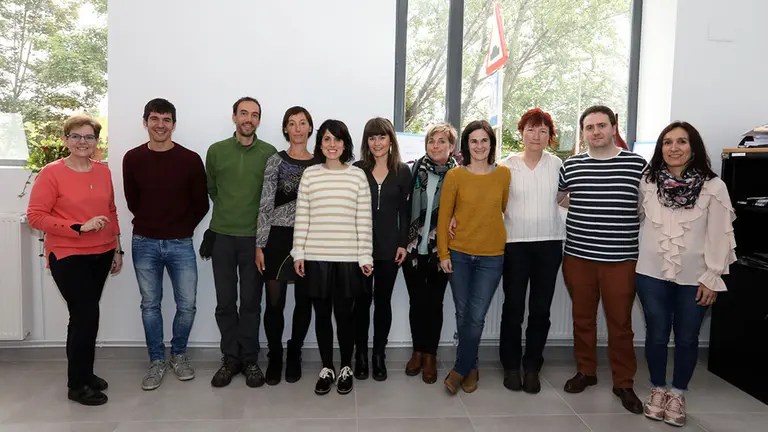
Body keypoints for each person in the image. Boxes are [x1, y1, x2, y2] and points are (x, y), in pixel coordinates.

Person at [636, 122, 735, 427]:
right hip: (651, 272)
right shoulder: (648, 182)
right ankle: (657, 389)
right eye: (667, 142)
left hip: (697, 277)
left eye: (681, 142)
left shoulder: (713, 187)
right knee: (655, 334)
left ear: (693, 148)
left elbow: (721, 235)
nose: (674, 148)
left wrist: (713, 276)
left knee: (687, 338)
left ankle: (677, 393)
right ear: (660, 148)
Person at [27, 114, 123, 406]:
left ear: (97, 142)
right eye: (76, 136)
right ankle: (76, 385)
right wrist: (77, 227)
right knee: (85, 316)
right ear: (65, 139)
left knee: (86, 317)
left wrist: (117, 248)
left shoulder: (103, 171)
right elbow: (35, 216)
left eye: (89, 137)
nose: (83, 142)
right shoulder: (51, 173)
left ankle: (85, 373)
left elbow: (112, 210)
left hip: (102, 252)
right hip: (68, 254)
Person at [557, 105, 647, 414]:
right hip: (578, 257)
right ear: (582, 133)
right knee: (583, 319)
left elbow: (646, 208)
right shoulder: (571, 166)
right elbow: (558, 200)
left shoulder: (637, 165)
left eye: (601, 125)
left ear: (613, 127)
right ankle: (587, 371)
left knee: (620, 324)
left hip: (621, 260)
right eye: (589, 127)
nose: (596, 132)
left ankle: (624, 382)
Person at [123, 98, 209, 390]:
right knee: (150, 304)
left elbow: (201, 204)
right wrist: (153, 224)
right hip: (144, 242)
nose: (161, 125)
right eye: (155, 118)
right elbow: (132, 201)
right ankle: (157, 360)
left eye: (166, 119)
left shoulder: (190, 159)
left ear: (174, 124)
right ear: (145, 121)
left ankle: (179, 355)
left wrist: (181, 229)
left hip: (180, 243)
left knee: (187, 304)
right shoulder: (132, 158)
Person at [292, 119, 373, 396]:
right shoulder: (311, 175)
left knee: (345, 315)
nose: (332, 144)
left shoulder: (357, 176)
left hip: (349, 258)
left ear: (345, 143)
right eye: (326, 139)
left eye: (337, 139)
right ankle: (327, 367)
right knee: (322, 315)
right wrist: (298, 252)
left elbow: (364, 218)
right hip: (316, 256)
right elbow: (302, 216)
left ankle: (346, 367)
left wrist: (365, 256)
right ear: (320, 144)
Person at [205, 96, 277, 388]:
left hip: (254, 241)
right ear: (234, 117)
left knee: (250, 302)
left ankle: (249, 360)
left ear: (259, 120)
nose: (249, 119)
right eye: (244, 113)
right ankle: (229, 359)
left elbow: (271, 198)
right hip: (222, 236)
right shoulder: (216, 151)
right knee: (225, 302)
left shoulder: (270, 153)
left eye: (255, 115)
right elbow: (212, 189)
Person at [437, 120, 510, 395]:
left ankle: (459, 369)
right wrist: (443, 253)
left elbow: (502, 208)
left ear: (491, 144)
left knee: (476, 315)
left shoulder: (503, 175)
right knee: (463, 311)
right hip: (459, 254)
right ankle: (472, 367)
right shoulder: (456, 176)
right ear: (466, 145)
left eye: (484, 140)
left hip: (492, 255)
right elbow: (445, 216)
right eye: (474, 141)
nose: (479, 146)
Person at [496, 108, 566, 393]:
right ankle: (511, 366)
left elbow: (565, 200)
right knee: (513, 308)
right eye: (530, 129)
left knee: (541, 310)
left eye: (543, 131)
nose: (536, 136)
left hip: (549, 244)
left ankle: (532, 366)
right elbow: (494, 204)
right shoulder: (506, 165)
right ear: (521, 133)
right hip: (514, 245)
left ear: (550, 136)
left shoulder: (558, 164)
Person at [256, 106, 318, 385]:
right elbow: (265, 204)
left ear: (309, 128)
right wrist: (259, 244)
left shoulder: (321, 164)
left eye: (302, 123)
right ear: (285, 129)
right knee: (274, 303)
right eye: (291, 123)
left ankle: (295, 352)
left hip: (312, 239)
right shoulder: (275, 161)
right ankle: (275, 355)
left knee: (305, 301)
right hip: (278, 238)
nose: (297, 128)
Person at [352, 117, 412, 381]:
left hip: (390, 249)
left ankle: (379, 355)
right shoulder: (356, 170)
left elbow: (406, 212)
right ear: (367, 141)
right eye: (372, 137)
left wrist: (403, 243)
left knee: (383, 301)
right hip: (361, 248)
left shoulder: (402, 171)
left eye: (382, 137)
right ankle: (361, 356)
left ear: (390, 140)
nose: (377, 143)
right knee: (361, 302)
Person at [402, 123, 458, 384]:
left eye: (442, 141)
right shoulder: (413, 169)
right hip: (413, 249)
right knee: (417, 303)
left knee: (435, 304)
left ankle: (431, 355)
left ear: (451, 147)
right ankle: (417, 351)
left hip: (442, 251)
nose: (435, 146)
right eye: (431, 141)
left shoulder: (459, 176)